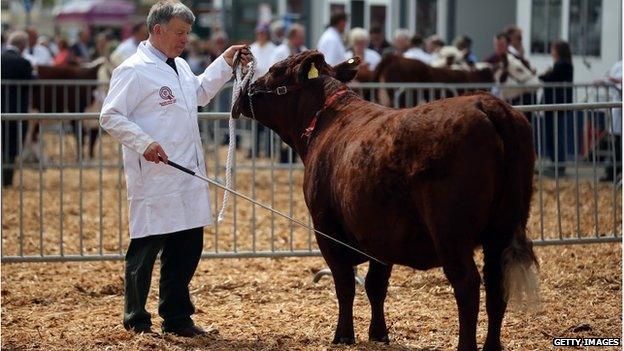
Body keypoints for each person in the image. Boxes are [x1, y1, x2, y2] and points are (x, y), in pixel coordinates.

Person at [99, 0, 251, 337]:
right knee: (145, 249)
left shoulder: (180, 66)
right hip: (155, 175)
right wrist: (144, 142)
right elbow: (109, 115)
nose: (186, 39)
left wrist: (224, 63)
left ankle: (177, 317)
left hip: (187, 172)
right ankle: (136, 317)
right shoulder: (133, 69)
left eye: (187, 32)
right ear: (157, 30)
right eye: (180, 33)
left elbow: (198, 94)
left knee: (186, 250)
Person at [1, 31, 33, 187]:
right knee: (11, 145)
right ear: (22, 46)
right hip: (15, 110)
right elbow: (31, 83)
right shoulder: (23, 63)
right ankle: (6, 180)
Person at [539, 40, 574, 177]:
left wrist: (544, 74)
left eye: (553, 49)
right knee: (554, 134)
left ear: (558, 51)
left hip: (556, 104)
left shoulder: (562, 65)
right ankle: (556, 163)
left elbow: (550, 78)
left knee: (555, 135)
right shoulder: (564, 64)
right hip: (555, 104)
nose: (551, 52)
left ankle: (558, 165)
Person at [601, 60, 622, 182]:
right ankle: (612, 173)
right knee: (616, 145)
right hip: (618, 111)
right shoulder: (618, 65)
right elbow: (609, 80)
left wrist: (617, 81)